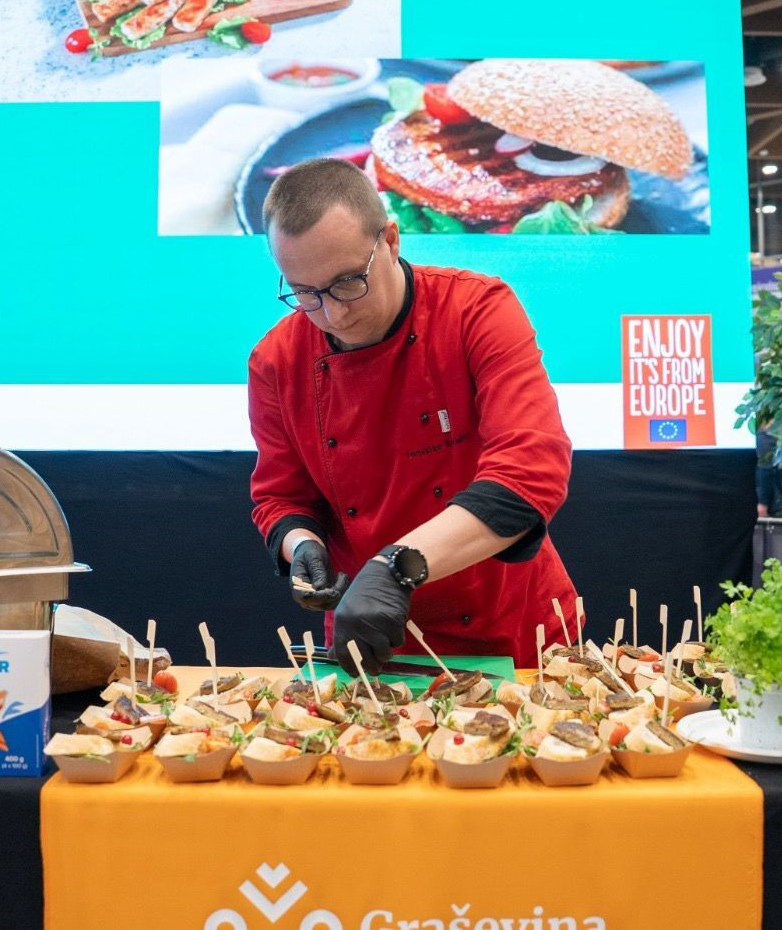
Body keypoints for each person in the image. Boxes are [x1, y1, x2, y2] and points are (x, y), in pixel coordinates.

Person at [247, 159, 579, 674]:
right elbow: (281, 496)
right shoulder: (276, 360)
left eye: (347, 282)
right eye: (305, 293)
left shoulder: (476, 310)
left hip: (509, 627)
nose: (333, 313)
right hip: (372, 638)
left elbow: (530, 470)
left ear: (391, 239)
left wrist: (394, 566)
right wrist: (302, 545)